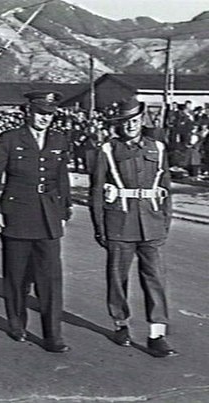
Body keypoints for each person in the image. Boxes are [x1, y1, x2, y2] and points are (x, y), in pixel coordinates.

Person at [0, 90, 72, 353]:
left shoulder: (58, 139)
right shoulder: (9, 140)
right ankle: (17, 323)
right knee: (17, 276)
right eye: (40, 113)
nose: (45, 119)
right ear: (28, 112)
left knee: (51, 279)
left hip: (49, 217)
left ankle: (52, 334)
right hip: (17, 215)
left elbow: (62, 178)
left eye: (49, 114)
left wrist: (64, 211)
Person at [89, 98, 177, 357]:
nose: (130, 125)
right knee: (118, 278)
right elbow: (96, 191)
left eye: (135, 121)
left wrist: (165, 222)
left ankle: (156, 333)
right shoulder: (108, 150)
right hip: (119, 223)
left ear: (142, 121)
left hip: (151, 224)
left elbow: (166, 189)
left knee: (155, 279)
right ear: (118, 124)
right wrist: (100, 227)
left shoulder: (158, 148)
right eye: (125, 122)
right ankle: (121, 324)